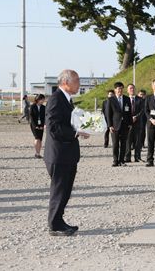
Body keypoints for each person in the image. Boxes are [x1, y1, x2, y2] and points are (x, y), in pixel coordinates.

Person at [44, 69, 89, 236]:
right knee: (59, 191)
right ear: (65, 82)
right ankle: (54, 225)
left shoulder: (67, 100)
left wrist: (80, 129)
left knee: (65, 190)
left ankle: (59, 220)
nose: (79, 84)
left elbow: (67, 123)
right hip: (59, 154)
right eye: (76, 81)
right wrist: (75, 133)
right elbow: (54, 127)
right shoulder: (56, 99)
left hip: (67, 153)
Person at [105, 82, 132, 167]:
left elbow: (129, 112)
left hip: (125, 125)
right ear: (115, 90)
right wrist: (110, 125)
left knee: (124, 143)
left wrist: (130, 123)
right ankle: (115, 160)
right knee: (115, 143)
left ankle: (122, 160)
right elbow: (108, 114)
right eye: (118, 88)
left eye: (121, 88)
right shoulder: (111, 100)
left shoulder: (127, 99)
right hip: (115, 125)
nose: (120, 90)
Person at [124, 84, 144, 163]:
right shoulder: (125, 100)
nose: (132, 89)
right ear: (127, 90)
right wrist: (130, 118)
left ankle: (137, 157)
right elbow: (123, 111)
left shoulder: (140, 99)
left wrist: (136, 117)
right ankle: (127, 157)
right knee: (127, 141)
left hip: (138, 123)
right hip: (128, 123)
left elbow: (142, 110)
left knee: (138, 141)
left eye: (133, 88)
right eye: (130, 88)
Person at [29, 94, 46, 159]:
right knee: (37, 138)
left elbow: (45, 117)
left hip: (41, 124)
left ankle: (38, 153)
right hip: (34, 124)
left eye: (43, 99)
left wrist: (43, 125)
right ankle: (36, 153)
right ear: (38, 99)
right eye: (42, 99)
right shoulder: (32, 106)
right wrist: (35, 126)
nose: (43, 101)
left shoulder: (44, 107)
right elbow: (31, 117)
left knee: (40, 139)